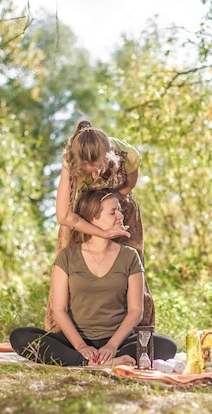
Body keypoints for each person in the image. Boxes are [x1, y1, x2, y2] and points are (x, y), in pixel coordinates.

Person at [10, 189, 177, 367]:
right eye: (113, 212)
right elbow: (59, 309)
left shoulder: (130, 256)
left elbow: (136, 311)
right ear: (92, 219)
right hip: (74, 342)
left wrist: (112, 346)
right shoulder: (68, 256)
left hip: (118, 342)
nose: (120, 216)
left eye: (119, 210)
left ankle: (101, 359)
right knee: (20, 336)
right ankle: (90, 362)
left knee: (167, 346)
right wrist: (80, 346)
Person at [44, 119, 155, 333]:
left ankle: (137, 333)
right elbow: (64, 215)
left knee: (132, 265)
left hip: (120, 207)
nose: (94, 175)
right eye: (88, 170)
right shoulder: (71, 160)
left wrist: (112, 210)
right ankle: (64, 331)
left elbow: (129, 184)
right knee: (71, 265)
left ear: (109, 154)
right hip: (81, 216)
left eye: (98, 168)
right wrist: (100, 230)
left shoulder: (128, 155)